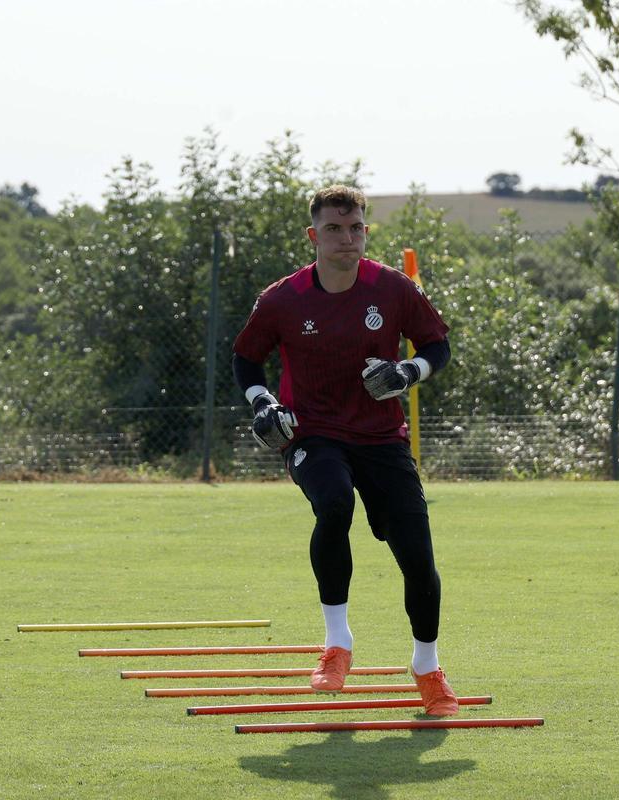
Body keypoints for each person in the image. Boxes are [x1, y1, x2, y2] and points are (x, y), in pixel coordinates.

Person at [231, 184, 458, 716]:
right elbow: (246, 360)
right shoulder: (283, 298)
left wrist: (407, 372)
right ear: (313, 236)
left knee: (418, 556)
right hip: (313, 433)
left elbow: (437, 345)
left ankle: (427, 668)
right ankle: (337, 645)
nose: (346, 238)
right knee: (333, 503)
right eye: (333, 228)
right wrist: (263, 402)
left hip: (381, 438)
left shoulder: (393, 287)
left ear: (365, 232)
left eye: (355, 228)